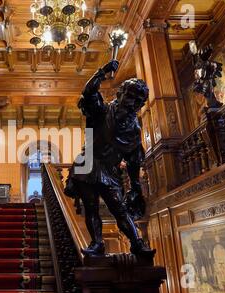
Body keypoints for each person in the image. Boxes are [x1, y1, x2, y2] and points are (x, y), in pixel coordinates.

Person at [64, 60, 156, 258]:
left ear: (141, 104)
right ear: (120, 93)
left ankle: (137, 244)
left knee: (119, 209)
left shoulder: (134, 129)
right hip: (88, 164)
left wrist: (136, 187)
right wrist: (103, 71)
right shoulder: (102, 111)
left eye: (137, 100)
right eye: (130, 96)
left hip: (110, 171)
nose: (132, 102)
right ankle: (97, 243)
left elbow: (133, 160)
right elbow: (87, 93)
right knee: (91, 207)